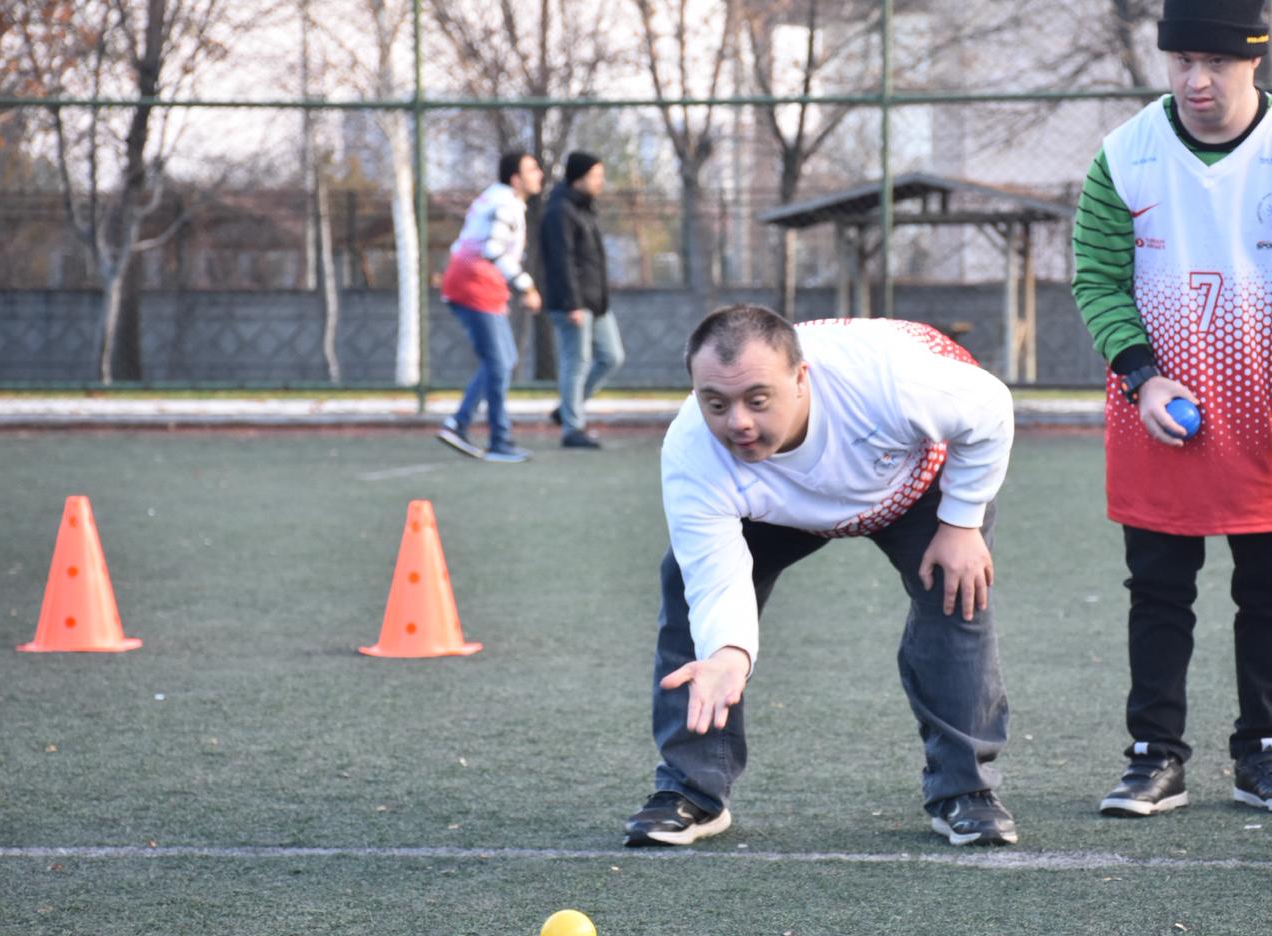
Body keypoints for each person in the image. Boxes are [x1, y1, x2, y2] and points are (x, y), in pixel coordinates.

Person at [1070, 0, 1272, 818]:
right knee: (1157, 592)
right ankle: (1154, 757)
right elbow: (1098, 279)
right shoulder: (1124, 154)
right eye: (1182, 61)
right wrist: (1143, 377)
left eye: (1217, 62)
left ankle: (1264, 753)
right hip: (1156, 415)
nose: (1196, 81)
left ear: (1254, 59)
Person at [624, 306, 1018, 848]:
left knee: (957, 594)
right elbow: (715, 577)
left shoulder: (891, 380)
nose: (737, 422)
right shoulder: (692, 450)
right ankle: (692, 789)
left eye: (757, 400)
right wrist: (728, 655)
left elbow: (991, 408)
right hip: (779, 509)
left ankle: (965, 790)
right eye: (715, 403)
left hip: (917, 479)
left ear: (801, 378)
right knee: (688, 596)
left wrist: (962, 520)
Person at [436, 151, 543, 463]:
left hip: (478, 286)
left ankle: (459, 423)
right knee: (498, 362)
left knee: (503, 361)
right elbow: (493, 250)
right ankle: (497, 440)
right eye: (532, 169)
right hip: (473, 285)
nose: (539, 174)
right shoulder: (505, 204)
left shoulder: (500, 199)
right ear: (516, 178)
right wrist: (526, 286)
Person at [539, 151, 625, 449]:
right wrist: (572, 303)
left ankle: (567, 409)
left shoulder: (584, 208)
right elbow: (560, 261)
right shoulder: (559, 211)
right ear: (578, 178)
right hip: (573, 302)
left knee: (612, 356)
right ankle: (572, 429)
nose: (601, 182)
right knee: (576, 362)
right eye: (595, 176)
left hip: (596, 301)